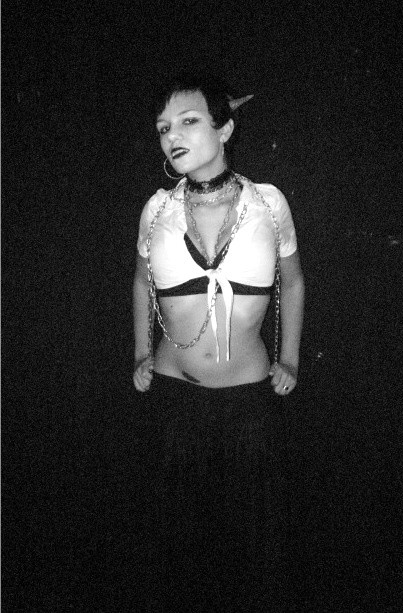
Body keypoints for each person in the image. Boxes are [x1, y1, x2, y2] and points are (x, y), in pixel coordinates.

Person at [133, 72, 304, 611]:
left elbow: (293, 281)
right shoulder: (157, 209)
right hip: (174, 397)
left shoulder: (268, 204)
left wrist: (290, 358)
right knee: (174, 548)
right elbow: (140, 282)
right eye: (164, 127)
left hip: (248, 402)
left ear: (224, 128)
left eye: (188, 121)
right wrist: (141, 351)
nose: (172, 136)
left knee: (252, 547)